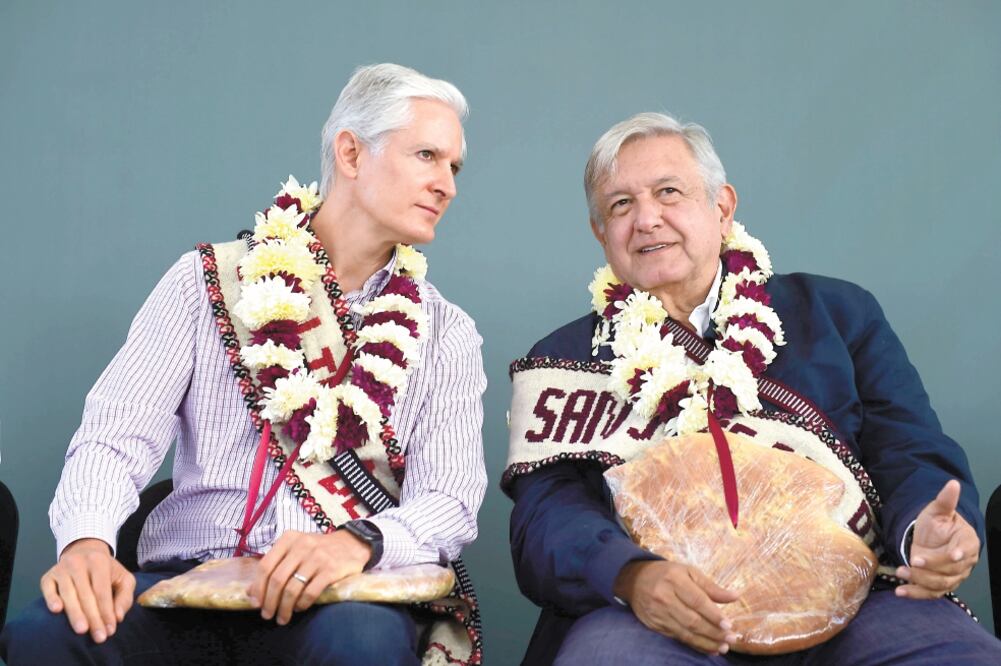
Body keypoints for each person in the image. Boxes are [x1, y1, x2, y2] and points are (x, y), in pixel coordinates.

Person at [1, 63, 487, 666]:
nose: (448, 185)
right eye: (427, 156)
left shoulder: (447, 333)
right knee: (45, 634)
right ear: (351, 154)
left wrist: (358, 541)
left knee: (361, 643)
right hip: (185, 586)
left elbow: (451, 500)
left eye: (454, 166)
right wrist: (86, 543)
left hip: (340, 598)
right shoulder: (205, 281)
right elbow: (114, 436)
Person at [504, 112, 1001, 664]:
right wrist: (631, 576)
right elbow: (545, 521)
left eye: (669, 192)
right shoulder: (563, 357)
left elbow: (909, 451)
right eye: (620, 205)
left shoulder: (838, 314)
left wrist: (929, 533)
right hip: (656, 615)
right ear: (601, 233)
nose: (646, 219)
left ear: (722, 206)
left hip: (859, 601)